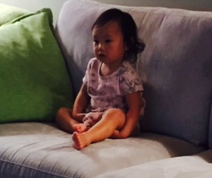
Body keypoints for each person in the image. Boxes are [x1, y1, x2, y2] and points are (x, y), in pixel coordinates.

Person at [56, 8, 145, 150]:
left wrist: (124, 133)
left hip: (118, 121)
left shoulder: (127, 74)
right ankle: (79, 128)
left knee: (114, 114)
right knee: (61, 112)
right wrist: (77, 115)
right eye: (96, 41)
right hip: (92, 116)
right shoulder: (93, 65)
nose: (100, 47)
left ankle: (88, 137)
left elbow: (135, 108)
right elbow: (84, 93)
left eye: (107, 41)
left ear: (127, 44)